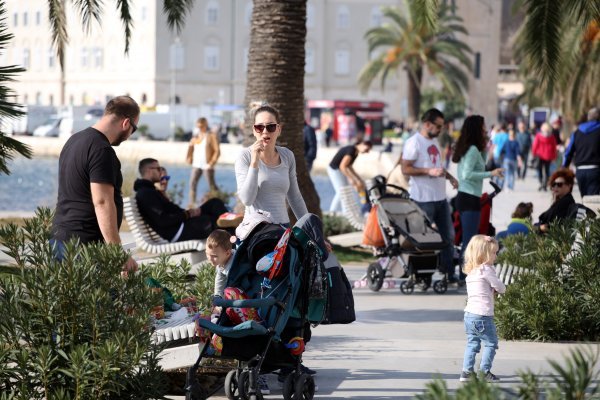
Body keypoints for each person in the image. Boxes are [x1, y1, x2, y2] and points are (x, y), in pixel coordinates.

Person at [235, 103, 315, 391]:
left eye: (270, 126)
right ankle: (260, 359)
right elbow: (247, 198)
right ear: (253, 130)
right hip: (257, 235)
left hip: (283, 234)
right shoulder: (245, 156)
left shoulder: (288, 156)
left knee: (293, 294)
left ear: (279, 128)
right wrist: (256, 162)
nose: (265, 132)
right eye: (259, 127)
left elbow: (294, 195)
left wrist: (309, 227)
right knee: (263, 297)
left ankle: (290, 356)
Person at [51, 95, 139, 273]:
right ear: (126, 123)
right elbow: (102, 202)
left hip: (59, 237)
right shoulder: (102, 150)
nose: (130, 136)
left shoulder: (74, 140)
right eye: (134, 129)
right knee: (105, 300)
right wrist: (117, 252)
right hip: (84, 245)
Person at [402, 108, 459, 282]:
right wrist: (428, 171)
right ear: (427, 124)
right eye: (439, 126)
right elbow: (405, 168)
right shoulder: (414, 142)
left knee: (448, 236)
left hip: (440, 198)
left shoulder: (434, 142)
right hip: (422, 199)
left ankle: (448, 272)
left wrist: (450, 177)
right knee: (422, 239)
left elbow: (438, 168)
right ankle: (421, 275)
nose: (441, 129)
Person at [452, 115, 504, 282]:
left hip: (468, 197)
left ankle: (464, 273)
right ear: (476, 128)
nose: (485, 129)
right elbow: (467, 174)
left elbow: (481, 162)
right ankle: (464, 274)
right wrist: (491, 173)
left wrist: (486, 146)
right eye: (483, 127)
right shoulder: (472, 149)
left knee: (470, 238)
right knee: (469, 240)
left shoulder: (473, 148)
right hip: (468, 197)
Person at [134, 158, 228, 241]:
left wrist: (189, 213)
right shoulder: (145, 193)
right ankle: (234, 240)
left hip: (181, 223)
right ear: (148, 171)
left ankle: (232, 230)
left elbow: (171, 211)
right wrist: (187, 214)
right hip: (177, 231)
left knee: (214, 203)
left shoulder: (150, 190)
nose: (160, 172)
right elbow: (162, 220)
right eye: (158, 169)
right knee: (211, 220)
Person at [459, 235, 505, 383]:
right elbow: (499, 287)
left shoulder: (472, 271)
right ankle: (484, 372)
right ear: (483, 254)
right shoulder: (486, 269)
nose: (495, 256)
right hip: (483, 315)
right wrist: (502, 288)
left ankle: (466, 372)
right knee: (491, 343)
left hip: (469, 314)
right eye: (493, 253)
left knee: (472, 343)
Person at [562, 107, 600, 197]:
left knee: (584, 199)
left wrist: (564, 167)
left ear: (588, 118)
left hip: (580, 171)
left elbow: (568, 152)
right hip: (595, 170)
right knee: (592, 200)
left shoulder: (577, 132)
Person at [327, 140, 373, 213]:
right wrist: (351, 179)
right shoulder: (351, 150)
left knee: (346, 190)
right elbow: (342, 166)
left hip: (339, 170)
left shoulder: (355, 152)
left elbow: (349, 167)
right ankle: (332, 212)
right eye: (367, 149)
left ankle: (345, 212)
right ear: (362, 144)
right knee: (341, 191)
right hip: (334, 169)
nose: (367, 152)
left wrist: (359, 179)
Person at [186, 117, 220, 207]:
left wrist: (211, 163)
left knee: (211, 185)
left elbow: (217, 151)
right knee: (192, 184)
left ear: (205, 125)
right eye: (198, 126)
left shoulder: (211, 136)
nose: (199, 128)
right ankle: (192, 205)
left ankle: (219, 202)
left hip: (207, 165)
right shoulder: (196, 136)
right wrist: (189, 150)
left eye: (201, 126)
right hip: (196, 164)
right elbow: (191, 149)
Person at [535, 168, 576, 234]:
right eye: (554, 184)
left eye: (559, 184)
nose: (556, 187)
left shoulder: (565, 202)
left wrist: (540, 228)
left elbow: (554, 225)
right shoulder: (560, 201)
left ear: (569, 185)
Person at [532, 122, 558, 191]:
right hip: (548, 156)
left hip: (539, 156)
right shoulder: (552, 137)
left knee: (539, 170)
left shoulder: (538, 136)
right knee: (547, 171)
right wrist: (554, 156)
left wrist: (534, 153)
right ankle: (545, 185)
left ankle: (541, 183)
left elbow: (535, 145)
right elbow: (554, 147)